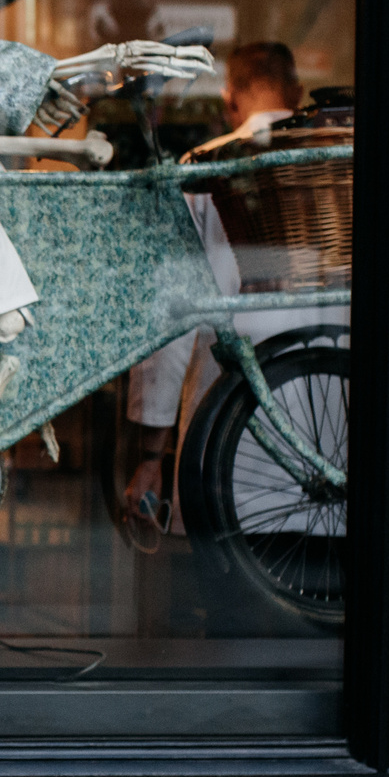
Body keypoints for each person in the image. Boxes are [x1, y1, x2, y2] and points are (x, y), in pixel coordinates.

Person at [122, 39, 324, 528]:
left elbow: (173, 315)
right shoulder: (340, 167)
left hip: (230, 446)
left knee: (219, 592)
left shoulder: (206, 171)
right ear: (296, 92)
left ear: (229, 98)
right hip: (333, 453)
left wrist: (151, 451)